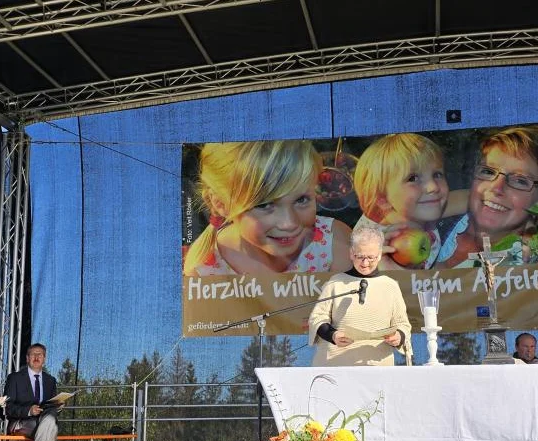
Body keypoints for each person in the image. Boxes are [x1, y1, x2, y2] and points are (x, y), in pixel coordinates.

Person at [183, 140, 352, 276]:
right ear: (219, 204)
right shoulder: (203, 274)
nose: (289, 223)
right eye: (264, 205)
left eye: (301, 199)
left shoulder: (335, 244)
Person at [439, 126, 538, 268]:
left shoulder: (525, 267)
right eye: (488, 171)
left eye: (520, 180)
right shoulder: (444, 217)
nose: (496, 187)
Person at [307, 226, 412, 366]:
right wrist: (333, 335)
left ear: (380, 254)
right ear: (351, 253)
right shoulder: (336, 282)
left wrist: (399, 336)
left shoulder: (390, 286)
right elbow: (317, 319)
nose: (365, 263)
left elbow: (403, 324)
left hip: (377, 367)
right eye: (360, 256)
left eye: (371, 257)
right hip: (336, 365)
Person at [354, 133, 450, 270]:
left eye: (437, 174)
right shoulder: (376, 244)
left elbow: (464, 199)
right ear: (383, 198)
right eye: (413, 178)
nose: (433, 187)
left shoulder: (421, 209)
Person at [5, 344, 59, 441]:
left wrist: (58, 406)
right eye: (33, 354)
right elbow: (8, 408)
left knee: (51, 418)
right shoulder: (15, 378)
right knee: (51, 426)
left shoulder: (50, 381)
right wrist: (29, 410)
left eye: (40, 354)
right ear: (27, 358)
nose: (36, 357)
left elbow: (51, 407)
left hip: (44, 422)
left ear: (44, 358)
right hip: (21, 422)